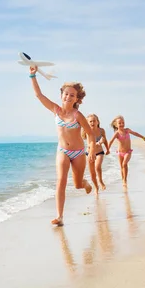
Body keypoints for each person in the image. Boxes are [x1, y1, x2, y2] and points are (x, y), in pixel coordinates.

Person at [29, 66, 95, 226]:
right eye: (66, 94)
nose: (68, 97)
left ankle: (85, 183)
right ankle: (59, 216)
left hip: (78, 153)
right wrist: (32, 75)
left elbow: (90, 135)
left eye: (72, 95)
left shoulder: (78, 115)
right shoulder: (55, 110)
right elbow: (39, 95)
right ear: (61, 95)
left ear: (77, 99)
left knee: (78, 184)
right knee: (61, 181)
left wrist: (91, 149)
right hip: (62, 151)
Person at [107, 115, 145, 188]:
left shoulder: (127, 130)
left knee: (124, 164)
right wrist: (107, 149)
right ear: (116, 125)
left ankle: (125, 180)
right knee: (121, 166)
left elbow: (135, 133)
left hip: (128, 152)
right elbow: (111, 141)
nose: (122, 124)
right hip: (120, 152)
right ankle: (123, 180)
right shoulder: (117, 133)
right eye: (119, 123)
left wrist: (143, 137)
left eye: (123, 122)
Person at [81, 114, 110, 194]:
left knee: (97, 167)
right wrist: (96, 143)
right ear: (87, 123)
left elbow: (105, 140)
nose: (92, 122)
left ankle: (100, 181)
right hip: (89, 153)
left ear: (98, 122)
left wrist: (107, 149)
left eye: (94, 121)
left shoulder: (101, 130)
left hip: (99, 152)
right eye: (90, 121)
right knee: (92, 174)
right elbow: (89, 144)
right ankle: (96, 187)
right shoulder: (88, 131)